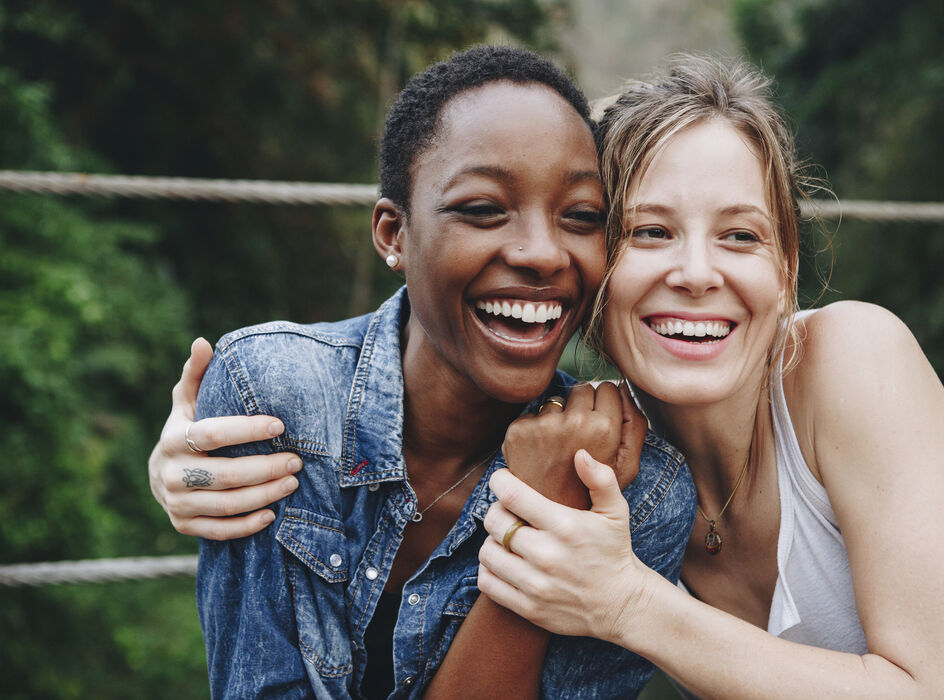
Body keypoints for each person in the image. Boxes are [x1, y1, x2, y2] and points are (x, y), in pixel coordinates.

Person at [476, 55, 944, 699]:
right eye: (651, 231)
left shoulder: (853, 357)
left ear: (786, 270)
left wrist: (630, 604)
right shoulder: (618, 471)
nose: (696, 272)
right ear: (595, 272)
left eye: (740, 236)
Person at [151, 45, 698, 699]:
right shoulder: (273, 397)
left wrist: (550, 511)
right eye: (482, 209)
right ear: (393, 234)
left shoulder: (638, 494)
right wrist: (539, 522)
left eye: (581, 218)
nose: (543, 253)